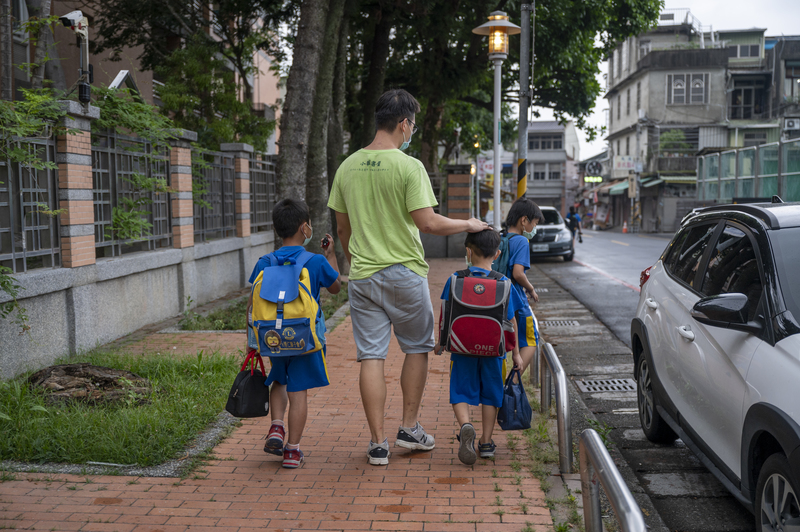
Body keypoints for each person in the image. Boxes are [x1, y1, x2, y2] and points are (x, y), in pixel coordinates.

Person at [327, 88, 488, 466]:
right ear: (403, 124)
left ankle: (377, 443)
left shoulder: (346, 167)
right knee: (417, 346)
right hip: (404, 273)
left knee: (371, 356)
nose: (411, 130)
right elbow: (428, 222)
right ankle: (410, 427)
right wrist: (468, 222)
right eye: (412, 124)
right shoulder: (408, 166)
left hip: (363, 277)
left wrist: (353, 259)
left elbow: (342, 227)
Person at [246, 199, 340, 469]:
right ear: (304, 228)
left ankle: (276, 427)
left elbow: (252, 304)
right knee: (299, 391)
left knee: (279, 380)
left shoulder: (265, 261)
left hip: (273, 337)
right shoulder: (316, 261)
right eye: (309, 223)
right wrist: (330, 253)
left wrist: (254, 341)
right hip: (305, 338)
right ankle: (292, 451)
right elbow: (335, 288)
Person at [434, 229, 525, 465]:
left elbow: (446, 313)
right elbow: (512, 321)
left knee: (460, 389)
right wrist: (515, 353)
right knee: (491, 395)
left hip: (462, 347)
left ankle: (465, 425)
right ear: (497, 254)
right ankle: (486, 443)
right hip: (494, 350)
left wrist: (441, 342)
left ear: (468, 251)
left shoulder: (456, 279)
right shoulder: (504, 283)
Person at [504, 198, 544, 375]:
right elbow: (518, 273)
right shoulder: (521, 241)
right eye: (533, 224)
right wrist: (531, 288)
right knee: (531, 340)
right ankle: (514, 383)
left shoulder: (501, 238)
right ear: (524, 220)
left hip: (500, 297)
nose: (533, 229)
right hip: (517, 301)